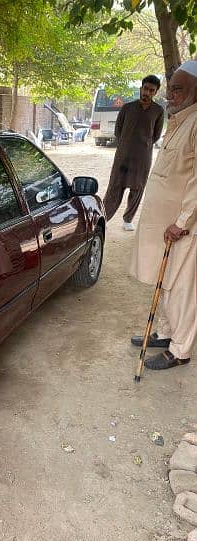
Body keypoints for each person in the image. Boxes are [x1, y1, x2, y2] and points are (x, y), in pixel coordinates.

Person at [129, 60, 197, 370]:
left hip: (184, 228)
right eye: (170, 90)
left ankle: (180, 350)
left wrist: (182, 223)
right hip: (169, 226)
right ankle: (168, 333)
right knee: (166, 281)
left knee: (181, 288)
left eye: (178, 90)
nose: (170, 95)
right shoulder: (180, 119)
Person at [104, 75, 164, 231]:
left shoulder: (158, 111)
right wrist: (126, 144)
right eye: (145, 89)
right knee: (115, 186)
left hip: (143, 157)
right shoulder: (127, 108)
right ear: (141, 88)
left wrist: (143, 145)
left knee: (137, 188)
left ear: (155, 92)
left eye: (151, 90)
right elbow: (118, 130)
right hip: (123, 155)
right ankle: (104, 217)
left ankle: (128, 219)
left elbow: (156, 135)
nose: (147, 93)